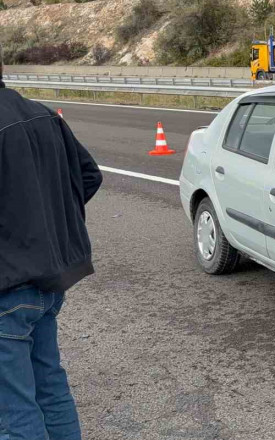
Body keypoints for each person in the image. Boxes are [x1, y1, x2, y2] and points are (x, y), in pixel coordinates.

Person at [0, 54, 102, 440]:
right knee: (50, 389)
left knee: (14, 411)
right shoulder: (43, 114)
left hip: (7, 287)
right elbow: (89, 176)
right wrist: (51, 229)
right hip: (48, 281)